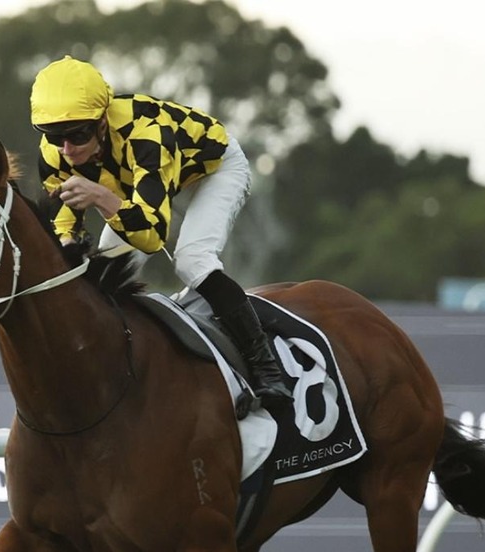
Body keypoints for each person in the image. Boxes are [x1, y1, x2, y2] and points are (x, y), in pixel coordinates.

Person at [30, 55, 290, 411]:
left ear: (103, 120)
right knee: (104, 271)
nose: (67, 149)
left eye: (78, 134)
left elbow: (152, 237)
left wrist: (103, 198)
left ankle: (266, 370)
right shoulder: (55, 153)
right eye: (54, 136)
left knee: (192, 260)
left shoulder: (146, 135)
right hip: (142, 189)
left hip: (209, 172)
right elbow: (65, 228)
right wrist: (68, 250)